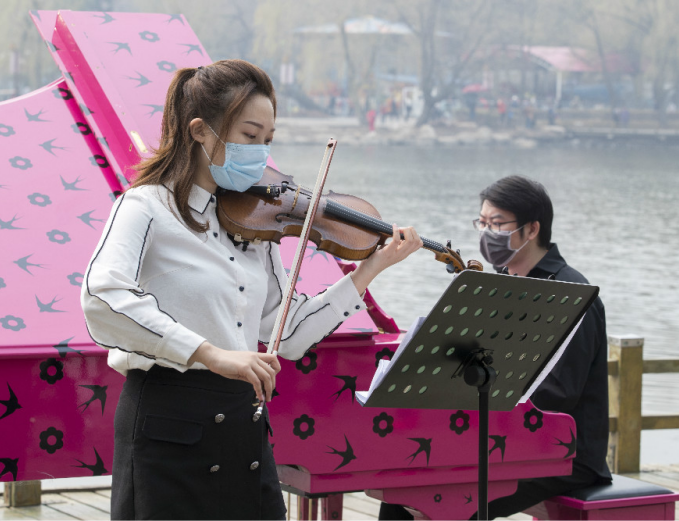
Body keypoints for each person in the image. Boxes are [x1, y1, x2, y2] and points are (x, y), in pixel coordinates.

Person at [81, 59, 423, 520]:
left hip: (242, 425)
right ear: (200, 132)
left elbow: (289, 332)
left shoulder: (251, 225)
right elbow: (103, 297)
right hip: (168, 424)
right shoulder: (146, 206)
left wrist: (370, 269)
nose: (261, 154)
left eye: (268, 140)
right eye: (249, 135)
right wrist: (210, 353)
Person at [379, 175, 611, 520]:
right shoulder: (499, 284)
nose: (487, 233)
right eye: (482, 223)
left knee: (454, 500)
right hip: (508, 438)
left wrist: (477, 418)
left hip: (564, 452)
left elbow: (559, 394)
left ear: (532, 229)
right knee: (403, 487)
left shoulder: (572, 293)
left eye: (498, 224)